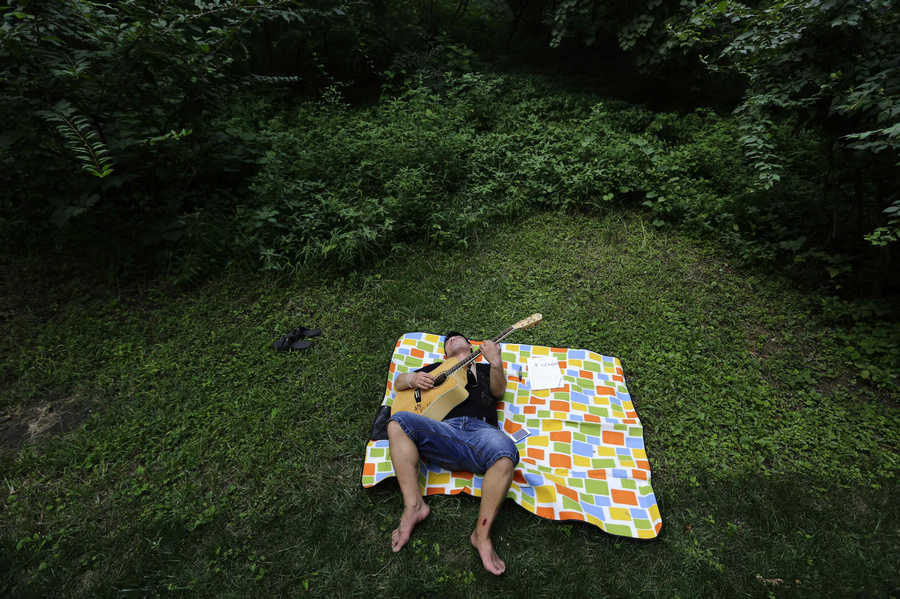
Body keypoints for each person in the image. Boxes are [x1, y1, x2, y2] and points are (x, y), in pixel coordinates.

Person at [387, 331, 519, 575]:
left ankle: (481, 534)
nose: (452, 339)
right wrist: (412, 379)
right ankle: (414, 505)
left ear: (471, 346)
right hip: (441, 431)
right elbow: (398, 383)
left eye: (458, 337)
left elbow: (499, 391)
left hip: (481, 432)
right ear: (444, 354)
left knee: (505, 450)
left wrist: (496, 363)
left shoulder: (483, 367)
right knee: (397, 422)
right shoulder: (436, 369)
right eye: (447, 341)